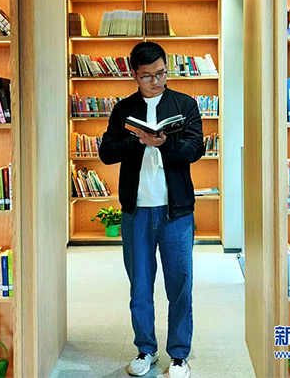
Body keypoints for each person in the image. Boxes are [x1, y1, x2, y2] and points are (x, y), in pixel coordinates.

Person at [99, 41, 204, 378]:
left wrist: (164, 143)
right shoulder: (123, 109)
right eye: (148, 76)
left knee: (180, 284)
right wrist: (138, 140)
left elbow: (194, 149)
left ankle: (179, 354)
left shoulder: (185, 105)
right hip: (137, 211)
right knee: (140, 285)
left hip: (176, 212)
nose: (156, 81)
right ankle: (145, 349)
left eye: (161, 73)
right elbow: (107, 152)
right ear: (135, 74)